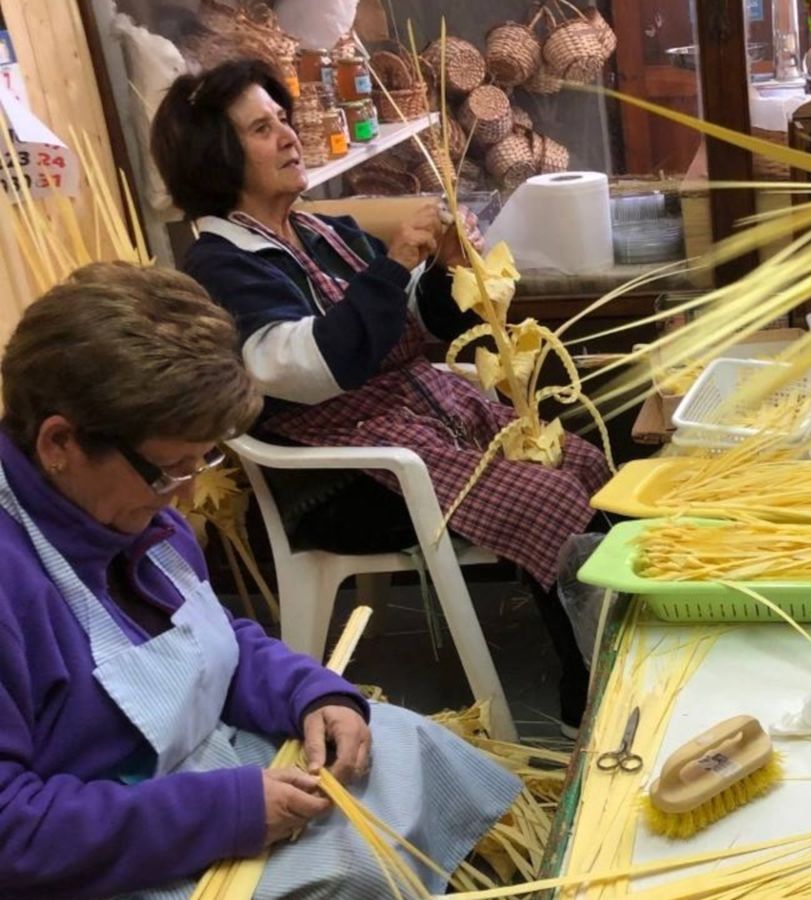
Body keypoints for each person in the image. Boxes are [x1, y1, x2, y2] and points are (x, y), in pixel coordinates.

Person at [0, 262, 521, 898]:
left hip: (190, 773)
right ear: (60, 443)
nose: (185, 496)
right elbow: (11, 834)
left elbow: (206, 639)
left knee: (411, 745)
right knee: (357, 875)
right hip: (94, 847)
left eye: (203, 459)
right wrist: (228, 812)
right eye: (170, 468)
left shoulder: (122, 510)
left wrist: (311, 692)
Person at [149, 60, 608, 728]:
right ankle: (588, 691)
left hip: (417, 423)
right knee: (547, 501)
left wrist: (446, 272)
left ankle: (610, 648)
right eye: (261, 128)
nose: (288, 135)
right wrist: (393, 266)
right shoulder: (223, 269)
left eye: (281, 119)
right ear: (215, 157)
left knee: (580, 461)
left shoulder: (323, 232)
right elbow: (314, 367)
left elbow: (414, 323)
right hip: (338, 478)